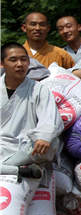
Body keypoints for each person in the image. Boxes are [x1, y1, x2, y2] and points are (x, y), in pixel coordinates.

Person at [1, 42, 63, 179]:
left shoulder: (39, 89)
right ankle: (17, 171)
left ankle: (6, 168)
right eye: (13, 60)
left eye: (24, 59)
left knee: (51, 142)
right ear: (2, 64)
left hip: (26, 147)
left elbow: (50, 118)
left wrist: (44, 136)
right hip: (1, 145)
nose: (19, 64)